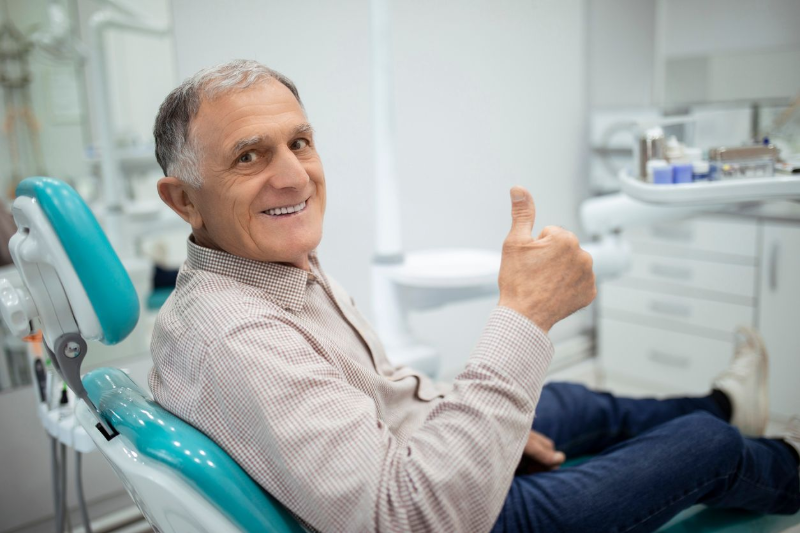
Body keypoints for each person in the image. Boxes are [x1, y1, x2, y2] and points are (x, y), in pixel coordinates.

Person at [150, 59, 800, 532]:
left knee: (571, 402)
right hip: (447, 516)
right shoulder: (237, 334)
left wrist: (478, 428)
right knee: (697, 447)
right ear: (183, 199)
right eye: (249, 157)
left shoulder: (266, 271)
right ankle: (780, 458)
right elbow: (413, 517)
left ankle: (728, 403)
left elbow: (384, 400)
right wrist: (524, 314)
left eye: (299, 142)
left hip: (414, 467)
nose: (294, 175)